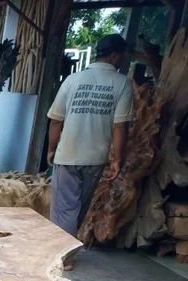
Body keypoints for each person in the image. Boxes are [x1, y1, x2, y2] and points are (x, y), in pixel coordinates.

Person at [46, 33, 134, 235]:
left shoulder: (73, 80)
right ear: (113, 56)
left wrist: (51, 149)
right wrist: (117, 160)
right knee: (79, 208)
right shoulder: (122, 84)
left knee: (64, 209)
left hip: (68, 153)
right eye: (121, 56)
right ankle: (66, 250)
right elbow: (120, 126)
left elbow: (56, 120)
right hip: (95, 157)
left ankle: (63, 256)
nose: (122, 60)